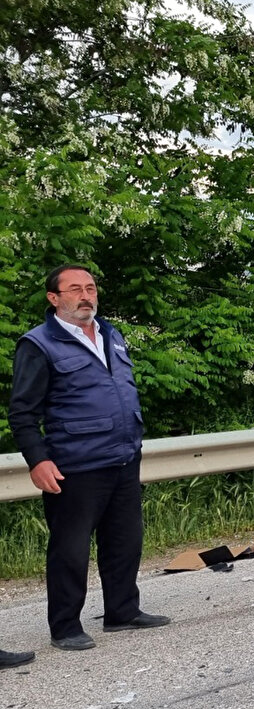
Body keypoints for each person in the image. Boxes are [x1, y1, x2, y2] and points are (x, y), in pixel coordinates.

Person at [8, 265, 170, 652]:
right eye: (75, 289)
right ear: (54, 298)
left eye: (91, 288)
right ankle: (65, 626)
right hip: (75, 463)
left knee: (125, 540)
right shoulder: (39, 344)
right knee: (71, 547)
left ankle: (123, 611)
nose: (85, 295)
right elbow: (22, 412)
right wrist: (37, 459)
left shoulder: (110, 334)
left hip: (124, 456)